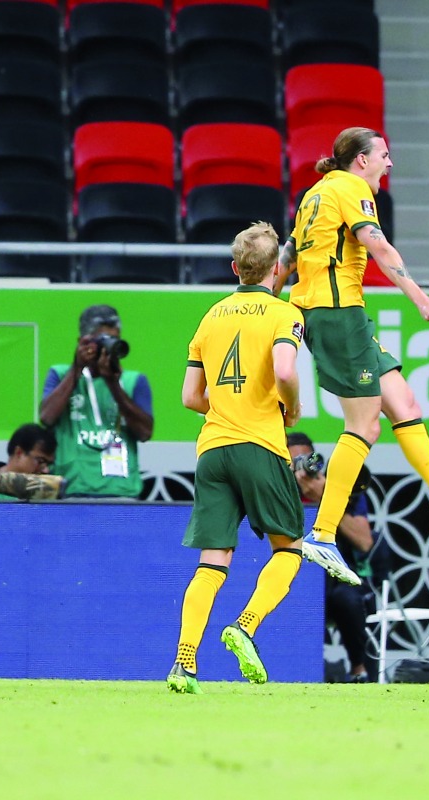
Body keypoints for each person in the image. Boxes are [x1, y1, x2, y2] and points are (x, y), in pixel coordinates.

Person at [274, 126, 429, 586]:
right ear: (361, 160)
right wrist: (420, 298)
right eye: (384, 155)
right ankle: (323, 534)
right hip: (337, 315)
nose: (389, 164)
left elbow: (287, 256)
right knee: (364, 425)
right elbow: (380, 247)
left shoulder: (315, 193)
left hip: (336, 316)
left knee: (405, 405)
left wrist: (270, 301)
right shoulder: (351, 188)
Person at [167, 221, 308, 695]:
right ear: (278, 271)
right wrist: (291, 406)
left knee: (213, 561)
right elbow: (285, 369)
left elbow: (190, 396)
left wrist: (226, 408)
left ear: (235, 268)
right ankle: (245, 626)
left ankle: (184, 663)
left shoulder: (211, 316)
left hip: (212, 450)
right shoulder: (284, 312)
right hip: (260, 446)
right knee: (288, 549)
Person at [288, 431, 384, 684]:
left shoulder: (338, 488)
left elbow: (364, 541)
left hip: (332, 577)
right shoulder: (274, 489)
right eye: (293, 461)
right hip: (289, 574)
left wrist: (324, 499)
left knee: (348, 599)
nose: (301, 468)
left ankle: (359, 669)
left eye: (306, 459)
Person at [39, 304, 153, 498]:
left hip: (121, 490)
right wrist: (76, 368)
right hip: (73, 487)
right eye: (100, 341)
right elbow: (47, 418)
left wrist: (113, 383)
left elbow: (145, 433)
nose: (107, 348)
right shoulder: (60, 374)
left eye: (113, 340)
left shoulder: (134, 380)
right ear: (82, 342)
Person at [0, 423, 63, 500]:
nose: (46, 470)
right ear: (19, 453)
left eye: (49, 464)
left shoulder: (50, 495)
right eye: (40, 461)